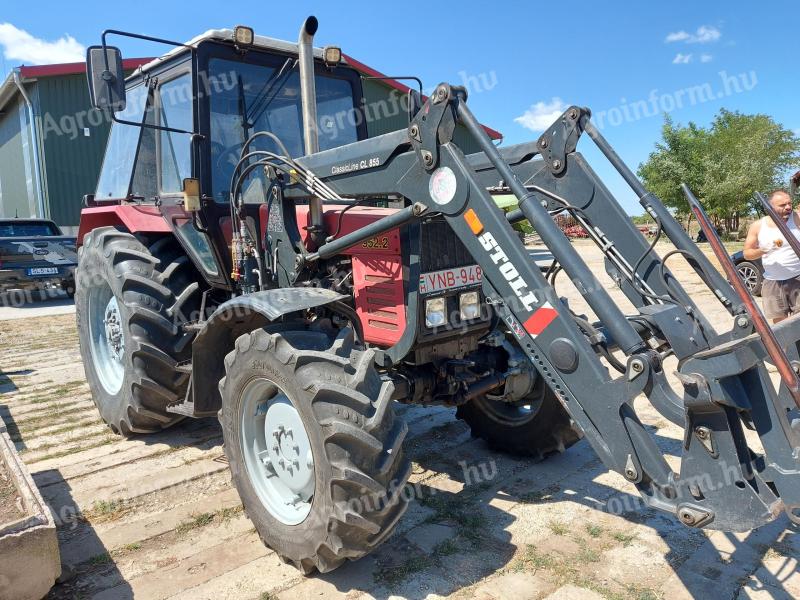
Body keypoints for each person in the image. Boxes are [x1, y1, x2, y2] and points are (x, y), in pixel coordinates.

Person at [743, 190, 800, 323]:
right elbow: (747, 254)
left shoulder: (797, 218)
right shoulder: (758, 226)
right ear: (770, 207)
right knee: (780, 325)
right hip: (773, 281)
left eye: (789, 203)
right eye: (782, 205)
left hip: (797, 277)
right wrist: (763, 250)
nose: (788, 207)